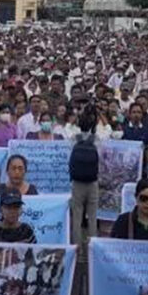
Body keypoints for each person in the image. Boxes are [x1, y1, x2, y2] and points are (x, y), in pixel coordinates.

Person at [68, 106, 100, 251]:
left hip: (77, 182)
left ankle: (77, 248)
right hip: (92, 182)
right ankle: (92, 248)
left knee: (77, 217)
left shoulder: (74, 139)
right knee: (92, 216)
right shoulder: (96, 140)